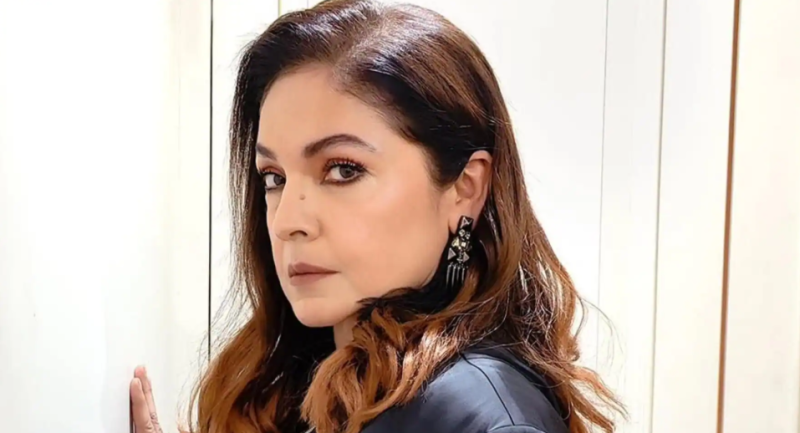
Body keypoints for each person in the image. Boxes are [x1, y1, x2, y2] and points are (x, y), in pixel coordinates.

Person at [130, 0, 624, 432]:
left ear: (465, 188)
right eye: (274, 177)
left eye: (343, 170)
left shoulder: (477, 413)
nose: (286, 222)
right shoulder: (310, 390)